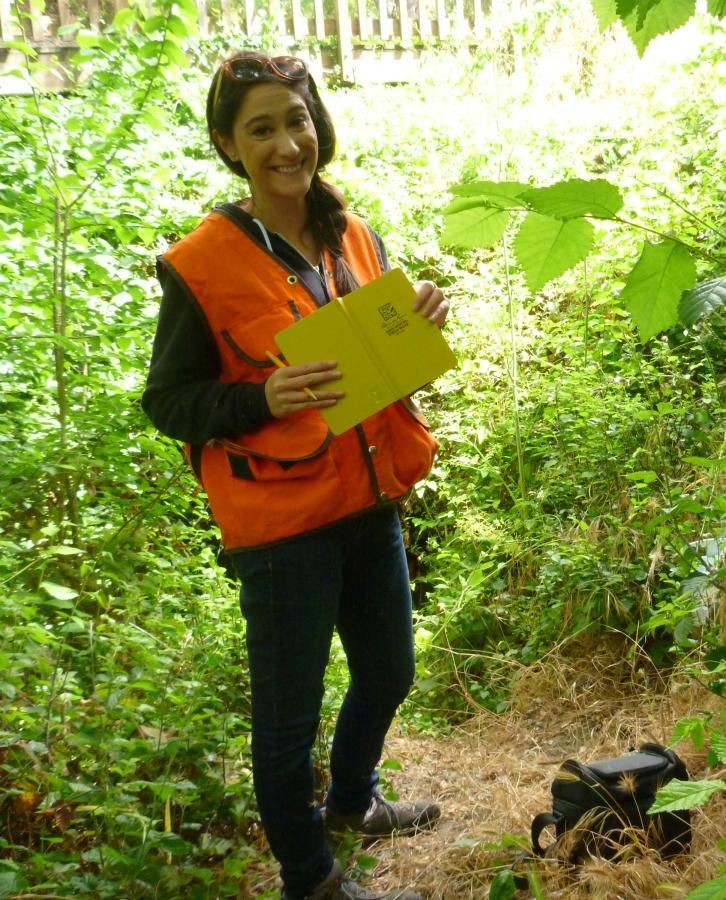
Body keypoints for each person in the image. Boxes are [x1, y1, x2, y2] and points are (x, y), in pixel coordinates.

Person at [141, 51, 447, 900]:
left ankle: (353, 802)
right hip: (281, 527)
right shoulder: (201, 263)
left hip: (368, 497)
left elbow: (377, 363)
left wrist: (415, 328)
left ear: (319, 125)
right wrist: (262, 396)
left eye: (297, 119)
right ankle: (308, 876)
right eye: (262, 128)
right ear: (229, 146)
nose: (287, 143)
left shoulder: (351, 231)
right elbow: (168, 402)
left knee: (390, 673)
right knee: (287, 719)